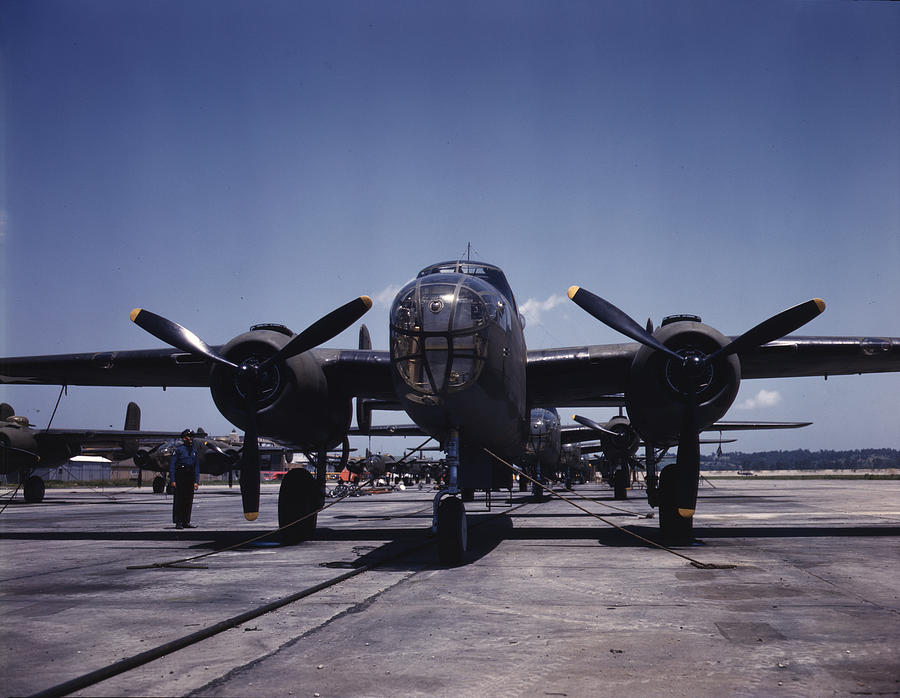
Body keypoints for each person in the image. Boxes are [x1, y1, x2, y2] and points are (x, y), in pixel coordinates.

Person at [170, 429, 200, 529]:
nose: (191, 438)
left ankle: (186, 521)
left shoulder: (194, 451)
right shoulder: (178, 450)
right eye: (188, 436)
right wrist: (173, 480)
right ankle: (178, 522)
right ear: (183, 438)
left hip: (190, 476)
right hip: (181, 476)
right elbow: (172, 465)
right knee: (179, 499)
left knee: (188, 499)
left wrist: (196, 481)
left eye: (192, 436)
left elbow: (196, 467)